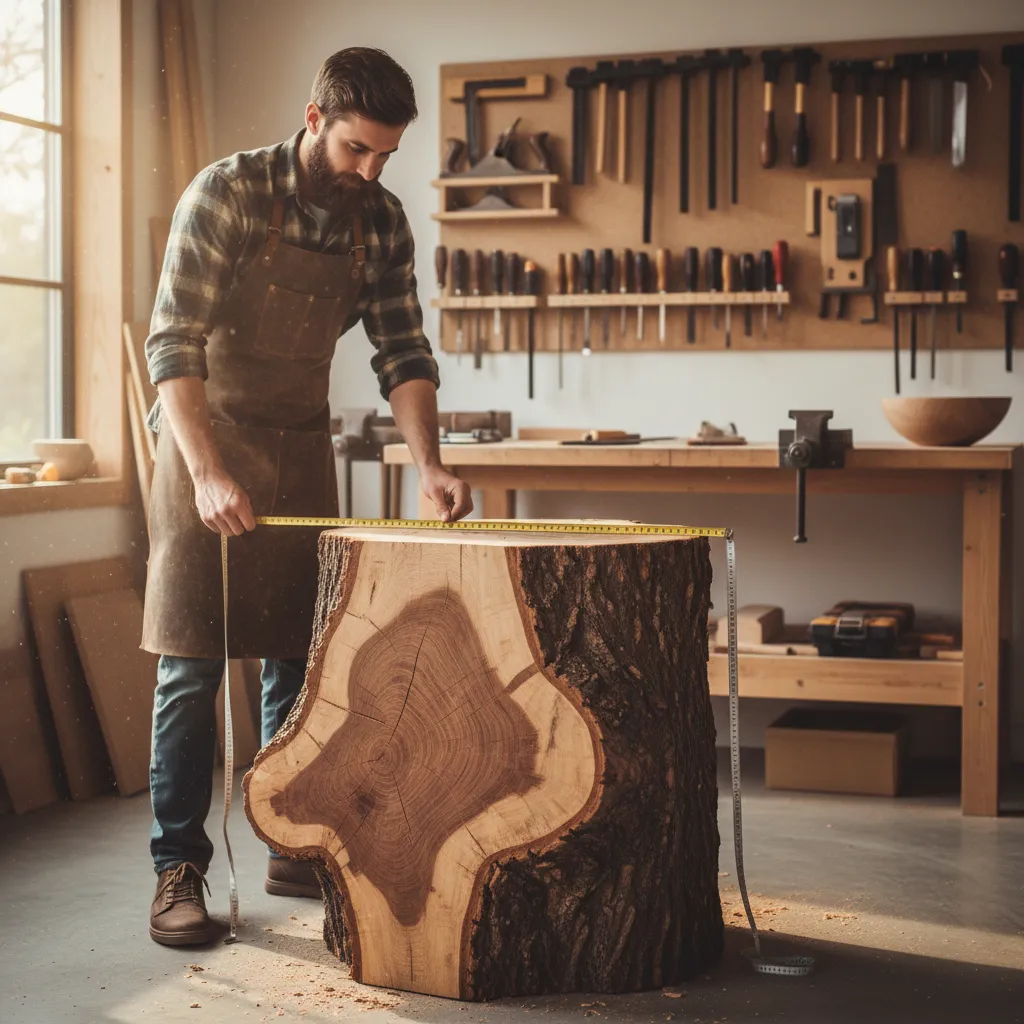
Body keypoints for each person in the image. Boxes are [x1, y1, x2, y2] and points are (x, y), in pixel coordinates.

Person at [141, 47, 472, 946]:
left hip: (297, 448)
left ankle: (287, 838)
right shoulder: (228, 194)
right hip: (201, 442)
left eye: (385, 156)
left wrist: (430, 465)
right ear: (315, 118)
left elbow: (402, 353)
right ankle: (178, 869)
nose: (369, 171)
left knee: (300, 658)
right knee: (193, 664)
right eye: (358, 149)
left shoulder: (382, 223)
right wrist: (207, 470)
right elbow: (174, 344)